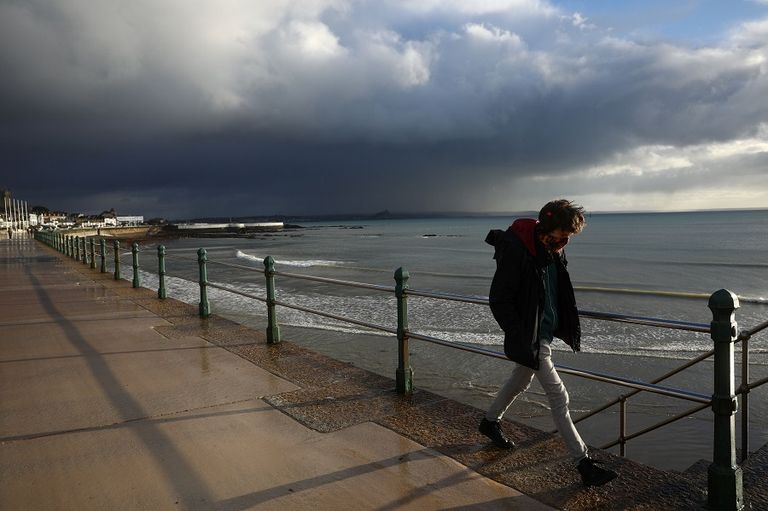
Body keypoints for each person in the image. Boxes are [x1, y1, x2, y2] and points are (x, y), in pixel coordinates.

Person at [478, 199, 618, 487]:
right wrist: (520, 335)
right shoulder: (518, 250)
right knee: (559, 396)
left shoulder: (553, 249)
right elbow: (499, 298)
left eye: (569, 236)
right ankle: (583, 463)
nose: (565, 241)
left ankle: (490, 422)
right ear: (547, 227)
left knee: (521, 379)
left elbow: (555, 290)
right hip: (531, 336)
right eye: (562, 234)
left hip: (542, 333)